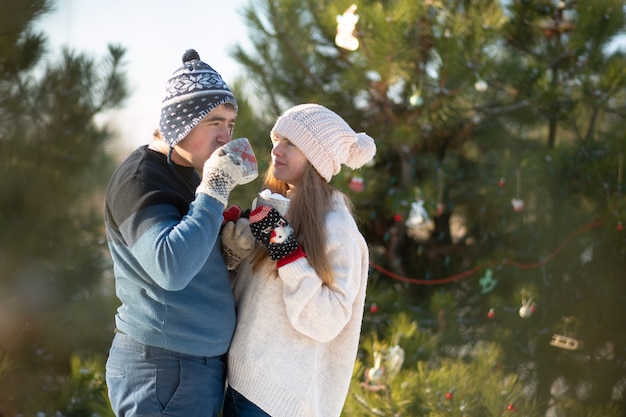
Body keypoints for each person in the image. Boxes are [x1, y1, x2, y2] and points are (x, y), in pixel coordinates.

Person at [104, 49, 256, 417]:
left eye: (231, 124)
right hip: (163, 369)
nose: (226, 136)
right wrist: (216, 188)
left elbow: (191, 250)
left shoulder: (189, 175)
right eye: (214, 122)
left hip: (191, 368)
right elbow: (170, 266)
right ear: (179, 122)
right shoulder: (141, 179)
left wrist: (226, 256)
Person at [223, 103, 377, 417]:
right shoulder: (272, 208)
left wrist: (288, 255)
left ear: (316, 157)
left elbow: (327, 320)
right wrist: (230, 238)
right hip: (236, 381)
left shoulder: (336, 227)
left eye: (290, 143)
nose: (276, 150)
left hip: (276, 399)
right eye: (277, 139)